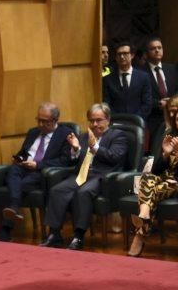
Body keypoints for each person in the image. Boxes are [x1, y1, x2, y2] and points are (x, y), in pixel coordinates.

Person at [127, 99, 178, 257]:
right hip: (164, 179)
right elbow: (156, 170)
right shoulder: (171, 139)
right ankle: (145, 213)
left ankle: (140, 233)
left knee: (156, 188)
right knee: (147, 178)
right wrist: (165, 153)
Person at [40, 103, 129, 250]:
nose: (95, 124)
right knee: (57, 190)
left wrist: (95, 147)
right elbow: (74, 160)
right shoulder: (83, 136)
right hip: (81, 174)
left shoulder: (118, 136)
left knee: (83, 192)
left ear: (108, 120)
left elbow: (115, 157)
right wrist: (75, 149)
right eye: (92, 120)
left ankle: (78, 236)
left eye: (99, 120)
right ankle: (54, 233)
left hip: (103, 176)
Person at [0, 102, 74, 242]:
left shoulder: (65, 134)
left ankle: (6, 226)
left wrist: (38, 165)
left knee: (19, 184)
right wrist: (20, 159)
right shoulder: (33, 132)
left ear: (54, 120)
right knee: (13, 170)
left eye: (44, 121)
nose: (40, 124)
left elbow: (64, 161)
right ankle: (14, 207)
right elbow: (23, 152)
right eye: (38, 120)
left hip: (43, 172)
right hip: (25, 167)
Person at [102, 41, 152, 126]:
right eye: (119, 54)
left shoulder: (143, 77)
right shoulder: (108, 79)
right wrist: (118, 121)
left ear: (132, 55)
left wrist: (135, 120)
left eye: (125, 53)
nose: (122, 57)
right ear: (116, 57)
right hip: (116, 124)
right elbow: (107, 103)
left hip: (138, 123)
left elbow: (147, 103)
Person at [144, 37, 178, 140]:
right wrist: (159, 104)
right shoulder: (141, 72)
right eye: (153, 48)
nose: (157, 50)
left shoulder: (171, 68)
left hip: (173, 117)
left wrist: (172, 101)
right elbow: (139, 97)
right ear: (146, 53)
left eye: (159, 47)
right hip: (153, 119)